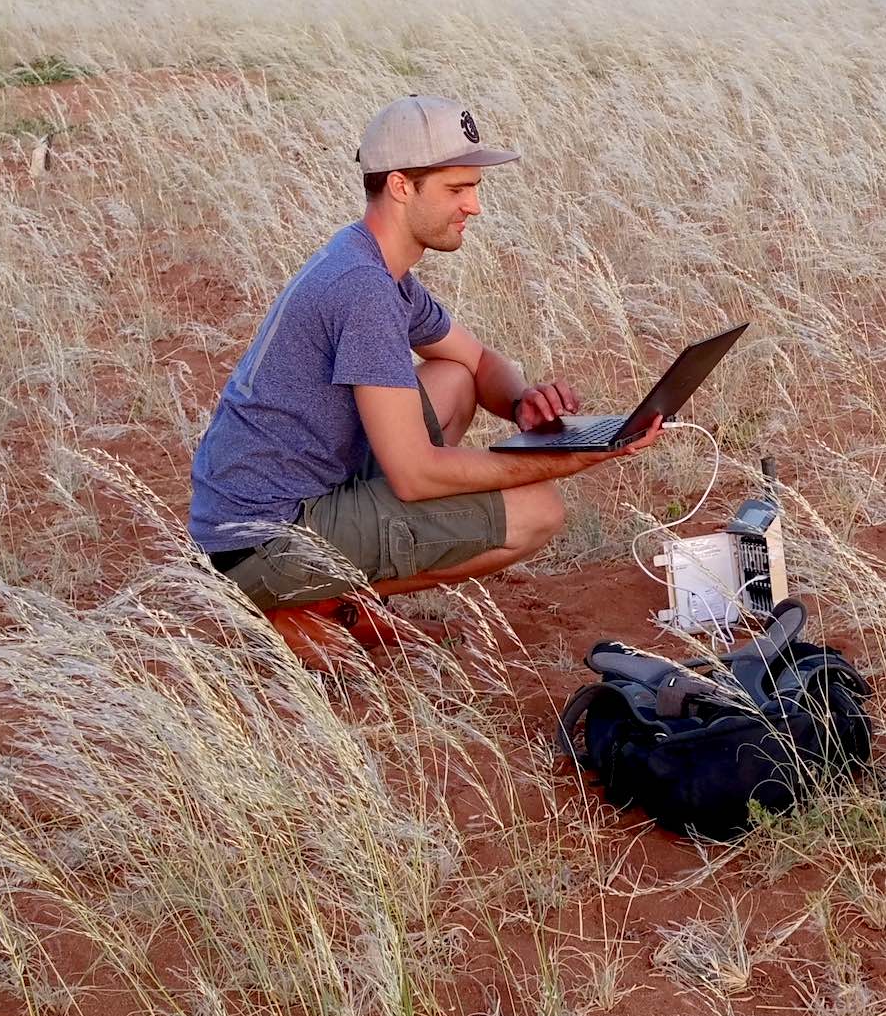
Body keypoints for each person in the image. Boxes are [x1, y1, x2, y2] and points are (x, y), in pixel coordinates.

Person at [187, 94, 663, 665]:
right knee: (538, 510)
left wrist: (521, 403)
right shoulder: (362, 289)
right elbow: (415, 476)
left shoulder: (373, 263)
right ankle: (309, 605)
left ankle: (330, 593)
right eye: (457, 189)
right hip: (262, 541)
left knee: (453, 376)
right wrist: (581, 455)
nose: (475, 206)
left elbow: (479, 362)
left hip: (281, 501)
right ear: (400, 185)